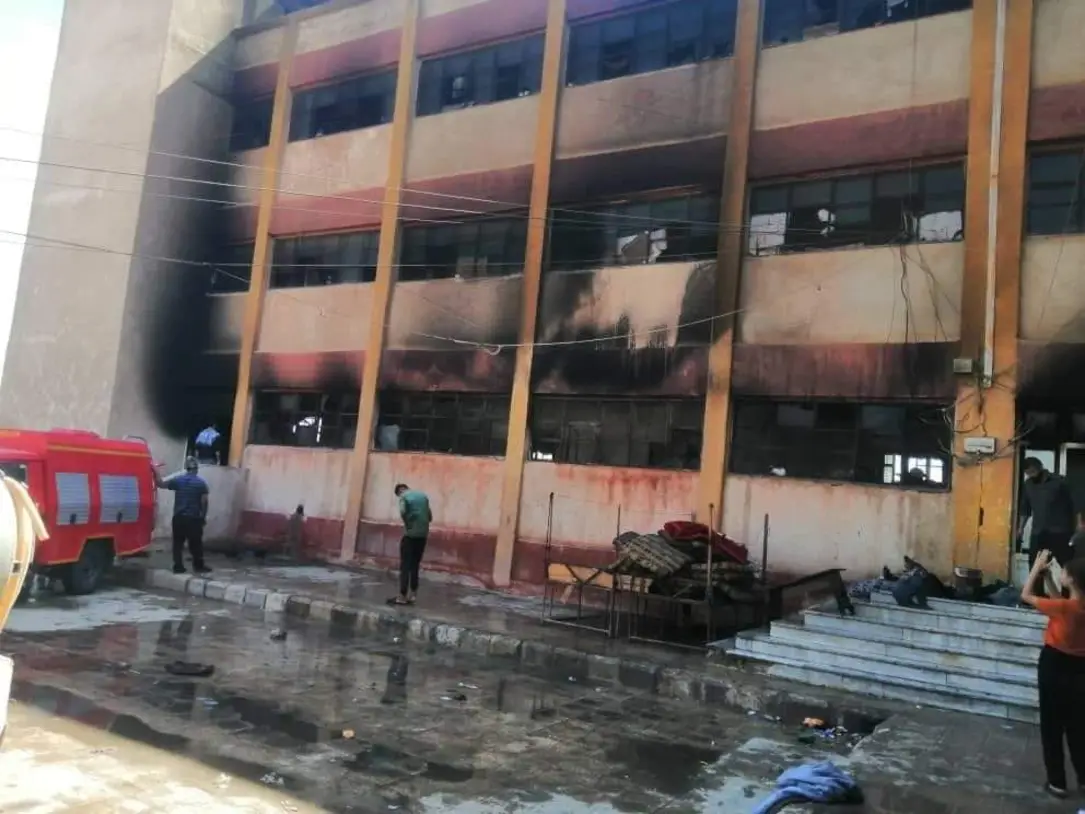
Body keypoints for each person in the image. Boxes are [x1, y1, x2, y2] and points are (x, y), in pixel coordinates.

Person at [1022, 550, 1085, 799]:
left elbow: (1026, 595)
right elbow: (1059, 600)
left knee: (1052, 725)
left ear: (1073, 580)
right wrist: (1049, 577)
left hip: (1054, 665)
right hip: (1080, 668)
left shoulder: (1064, 608)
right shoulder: (1071, 607)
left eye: (1065, 573)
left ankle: (1057, 781)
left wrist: (1037, 568)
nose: (1063, 574)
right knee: (1078, 726)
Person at [153, 457, 211, 575]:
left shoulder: (178, 481)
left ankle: (178, 567)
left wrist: (155, 471)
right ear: (196, 469)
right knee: (196, 544)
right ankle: (198, 566)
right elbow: (204, 503)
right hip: (193, 519)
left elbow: (160, 484)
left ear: (186, 468)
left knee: (178, 543)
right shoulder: (201, 483)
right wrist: (203, 518)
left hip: (179, 518)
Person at [1019, 457, 1076, 569]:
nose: (1031, 475)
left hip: (1060, 532)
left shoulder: (1060, 482)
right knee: (1035, 566)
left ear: (1040, 468)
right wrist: (1020, 528)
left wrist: (1078, 527)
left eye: (1032, 472)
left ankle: (1067, 587)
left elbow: (1075, 505)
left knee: (1064, 566)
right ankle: (1035, 587)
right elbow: (1025, 509)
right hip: (1038, 532)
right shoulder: (1028, 485)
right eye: (1027, 473)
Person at [389, 483, 431, 606]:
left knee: (405, 566)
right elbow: (430, 516)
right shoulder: (423, 496)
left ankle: (402, 596)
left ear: (399, 492)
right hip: (422, 536)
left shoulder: (404, 497)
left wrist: (408, 522)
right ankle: (413, 595)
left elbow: (402, 511)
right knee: (415, 565)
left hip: (410, 536)